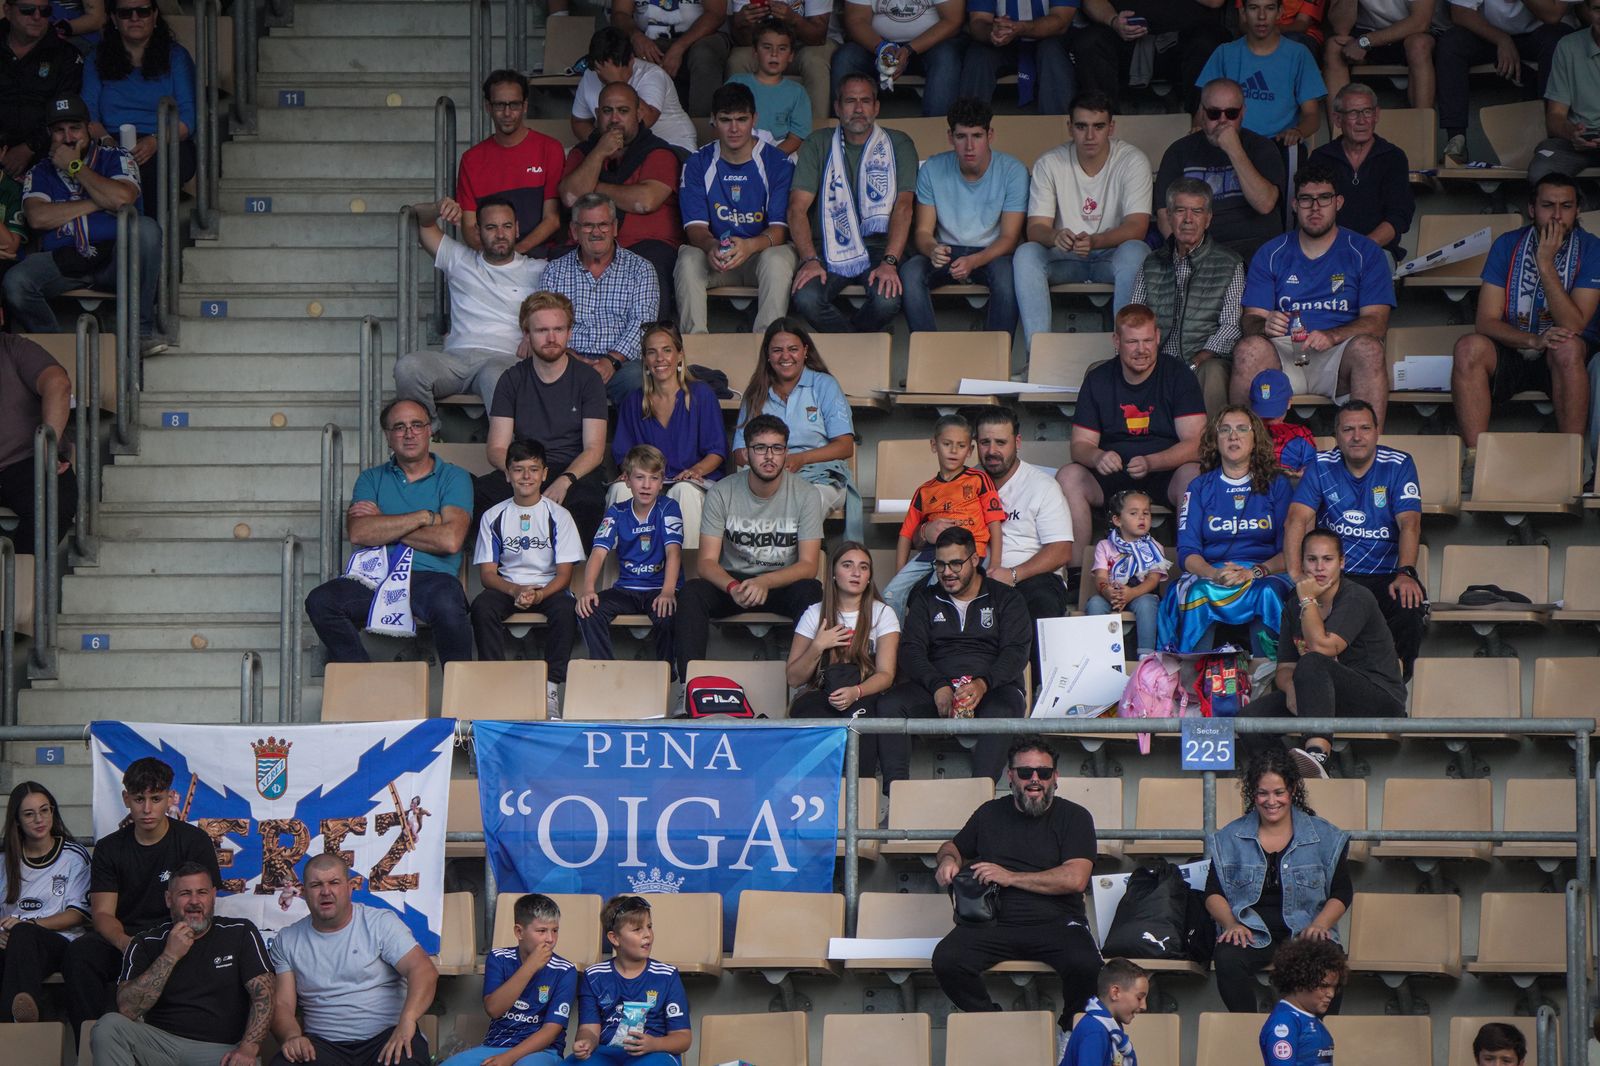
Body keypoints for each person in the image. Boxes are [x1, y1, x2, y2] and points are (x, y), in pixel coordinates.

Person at [930, 736, 1101, 1039]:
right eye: (1025, 773)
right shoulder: (989, 814)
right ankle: (991, 1025)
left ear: (1055, 777)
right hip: (994, 923)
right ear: (1010, 776)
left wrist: (1010, 877)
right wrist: (947, 861)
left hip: (1058, 922)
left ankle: (1068, 1031)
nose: (1035, 779)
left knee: (1086, 964)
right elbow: (952, 846)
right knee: (947, 960)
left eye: (1044, 773)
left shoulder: (1075, 817)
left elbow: (1075, 878)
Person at [62, 757, 220, 1043]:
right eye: (139, 799)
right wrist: (127, 944)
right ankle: (89, 1043)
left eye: (156, 799)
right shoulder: (110, 848)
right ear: (126, 799)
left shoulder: (194, 841)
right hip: (126, 938)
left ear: (170, 798)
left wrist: (176, 940)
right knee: (81, 954)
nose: (147, 809)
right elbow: (102, 915)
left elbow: (203, 903)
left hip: (177, 933)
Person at [304, 398, 474, 666]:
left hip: (431, 579)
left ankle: (462, 695)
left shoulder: (454, 477)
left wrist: (383, 523)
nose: (409, 433)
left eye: (417, 425)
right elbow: (360, 533)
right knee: (321, 601)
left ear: (430, 430)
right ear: (387, 436)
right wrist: (425, 517)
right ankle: (362, 681)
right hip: (374, 578)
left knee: (449, 603)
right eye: (399, 427)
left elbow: (450, 540)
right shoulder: (370, 479)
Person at [1453, 172, 1599, 470]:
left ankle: (1571, 464)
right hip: (1515, 346)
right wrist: (1532, 340)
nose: (1557, 216)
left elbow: (1575, 324)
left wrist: (1545, 264)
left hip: (1565, 357)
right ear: (1532, 209)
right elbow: (1486, 321)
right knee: (1468, 347)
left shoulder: (1592, 248)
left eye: (1566, 206)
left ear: (1578, 210)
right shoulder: (1508, 245)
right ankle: (1476, 462)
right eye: (1548, 205)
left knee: (1567, 346)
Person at [1231, 163, 1394, 427]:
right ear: (1295, 205)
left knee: (1369, 349)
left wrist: (1333, 336)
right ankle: (1244, 455)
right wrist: (1265, 325)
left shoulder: (1365, 252)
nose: (1315, 208)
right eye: (1307, 199)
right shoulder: (1271, 252)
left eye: (1324, 198)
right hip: (1283, 353)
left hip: (1337, 354)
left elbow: (1377, 322)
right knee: (1248, 349)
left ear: (1338, 202)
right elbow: (1251, 321)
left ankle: (1368, 454)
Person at [1239, 527, 1408, 777]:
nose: (1319, 567)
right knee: (1250, 720)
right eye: (1312, 559)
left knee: (1312, 661)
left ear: (1341, 563)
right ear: (1302, 563)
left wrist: (1308, 600)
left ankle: (1318, 754)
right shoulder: (1293, 603)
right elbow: (1284, 668)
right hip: (1321, 697)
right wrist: (1292, 689)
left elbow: (1323, 648)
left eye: (1327, 559)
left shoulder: (1356, 597)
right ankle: (1284, 780)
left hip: (1378, 698)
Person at [1055, 304, 1204, 578]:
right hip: (1112, 475)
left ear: (1158, 337)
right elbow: (1080, 445)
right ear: (1116, 342)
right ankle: (1076, 574)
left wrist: (1153, 462)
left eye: (1148, 340)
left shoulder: (1179, 375)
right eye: (1132, 342)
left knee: (1194, 475)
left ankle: (1190, 570)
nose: (1141, 349)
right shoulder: (1098, 379)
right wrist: (1097, 456)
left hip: (1164, 473)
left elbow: (1196, 443)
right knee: (1069, 476)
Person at [876, 527, 1032, 785]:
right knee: (890, 704)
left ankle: (980, 798)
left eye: (956, 564)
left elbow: (1016, 652)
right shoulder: (925, 599)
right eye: (940, 564)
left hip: (993, 687)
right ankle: (896, 796)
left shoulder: (1006, 598)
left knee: (1005, 709)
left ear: (974, 560)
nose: (947, 572)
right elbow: (911, 649)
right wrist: (937, 685)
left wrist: (983, 684)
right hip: (938, 686)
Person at [7, 93, 162, 351]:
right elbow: (37, 217)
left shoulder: (115, 157)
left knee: (146, 229)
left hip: (114, 257)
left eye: (75, 128)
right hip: (63, 259)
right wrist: (99, 201)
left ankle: (141, 332)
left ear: (89, 128)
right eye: (59, 130)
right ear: (49, 133)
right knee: (16, 283)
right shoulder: (40, 170)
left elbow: (124, 197)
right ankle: (56, 350)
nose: (68, 137)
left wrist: (75, 167)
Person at [674, 413, 823, 680]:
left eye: (777, 448)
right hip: (734, 583)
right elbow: (706, 562)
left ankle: (808, 684)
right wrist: (732, 587)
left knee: (812, 591)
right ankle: (689, 686)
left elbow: (809, 565)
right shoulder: (722, 491)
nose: (769, 456)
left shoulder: (806, 494)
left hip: (780, 583)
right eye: (760, 448)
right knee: (692, 592)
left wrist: (765, 582)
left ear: (786, 452)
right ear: (745, 453)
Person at [1283, 399, 1425, 677]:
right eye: (1348, 429)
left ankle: (1396, 684)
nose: (1357, 436)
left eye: (1364, 428)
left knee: (1410, 605)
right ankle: (1312, 680)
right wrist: (1296, 573)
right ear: (1336, 434)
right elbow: (1295, 519)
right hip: (1336, 575)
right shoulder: (1321, 464)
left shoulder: (1398, 464)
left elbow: (1410, 523)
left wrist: (1406, 572)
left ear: (1376, 431)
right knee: (1293, 598)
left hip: (1385, 574)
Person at [1204, 748, 1352, 1012]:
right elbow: (1213, 893)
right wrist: (1231, 924)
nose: (1271, 801)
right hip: (1253, 931)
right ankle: (1249, 1031)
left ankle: (1317, 1038)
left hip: (1304, 931)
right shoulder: (1230, 837)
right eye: (1263, 793)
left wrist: (1320, 925)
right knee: (1227, 956)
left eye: (1278, 792)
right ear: (1253, 793)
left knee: (1330, 961)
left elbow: (1342, 892)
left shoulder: (1325, 836)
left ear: (1292, 789)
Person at [91, 862, 270, 1066]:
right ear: (169, 899)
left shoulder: (240, 932)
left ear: (213, 896)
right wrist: (169, 956)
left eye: (201, 892)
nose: (194, 901)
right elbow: (127, 1009)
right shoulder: (145, 942)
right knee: (108, 1026)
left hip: (221, 1052)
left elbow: (263, 996)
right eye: (185, 893)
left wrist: (248, 1049)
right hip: (160, 1046)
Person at [268, 854, 439, 1066]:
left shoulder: (380, 923)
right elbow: (282, 1004)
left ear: (350, 888)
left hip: (386, 1037)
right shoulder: (287, 939)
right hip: (322, 1046)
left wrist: (408, 1020)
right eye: (316, 885)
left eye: (334, 882)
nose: (326, 891)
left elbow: (423, 970)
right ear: (303, 893)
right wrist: (292, 1037)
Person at [1015, 91, 1152, 351]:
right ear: (1069, 127)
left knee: (1137, 251)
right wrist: (1054, 236)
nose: (1090, 136)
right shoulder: (1049, 162)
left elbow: (1138, 227)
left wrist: (1096, 241)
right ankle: (1038, 356)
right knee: (1026, 254)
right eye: (1081, 126)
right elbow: (1035, 228)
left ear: (1111, 127)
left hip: (1110, 258)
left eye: (1098, 127)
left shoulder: (1132, 160)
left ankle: (1125, 353)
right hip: (1066, 258)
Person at [393, 196, 546, 422]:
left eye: (507, 226)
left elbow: (560, 313)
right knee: (408, 368)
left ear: (517, 229)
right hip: (456, 359)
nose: (500, 234)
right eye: (491, 227)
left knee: (497, 376)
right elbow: (421, 220)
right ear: (478, 231)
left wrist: (535, 336)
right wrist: (438, 208)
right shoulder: (459, 259)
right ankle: (430, 432)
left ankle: (510, 449)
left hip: (505, 358)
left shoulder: (540, 270)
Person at [1157, 405, 1293, 656]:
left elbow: (1290, 551)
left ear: (1255, 439)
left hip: (1263, 573)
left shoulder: (1278, 485)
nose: (1234, 436)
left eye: (1242, 429)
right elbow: (1187, 552)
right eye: (1225, 430)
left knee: (1268, 593)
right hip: (1211, 574)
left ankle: (1269, 675)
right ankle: (1191, 678)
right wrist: (1213, 574)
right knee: (1198, 591)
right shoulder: (1198, 487)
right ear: (1215, 440)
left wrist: (1254, 572)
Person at [786, 74, 918, 335]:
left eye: (865, 101)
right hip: (829, 249)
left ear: (876, 107)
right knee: (806, 297)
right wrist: (809, 259)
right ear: (837, 107)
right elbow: (796, 208)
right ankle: (858, 345)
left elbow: (904, 207)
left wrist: (890, 262)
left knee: (886, 300)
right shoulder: (818, 143)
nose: (858, 109)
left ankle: (848, 347)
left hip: (880, 248)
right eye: (850, 101)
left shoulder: (898, 144)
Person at [482, 292, 609, 548]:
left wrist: (565, 481)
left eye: (558, 329)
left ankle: (567, 583)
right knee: (481, 493)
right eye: (541, 330)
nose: (551, 338)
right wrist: (520, 475)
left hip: (573, 471)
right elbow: (497, 447)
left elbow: (594, 449)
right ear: (527, 335)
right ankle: (507, 574)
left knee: (587, 502)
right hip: (526, 466)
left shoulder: (588, 380)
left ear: (569, 332)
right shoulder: (511, 379)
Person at [675, 81, 797, 337]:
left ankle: (767, 347)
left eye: (742, 119)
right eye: (725, 119)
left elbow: (780, 231)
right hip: (716, 258)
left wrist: (749, 246)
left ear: (755, 119)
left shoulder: (777, 162)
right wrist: (711, 247)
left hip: (759, 256)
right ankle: (696, 350)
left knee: (779, 258)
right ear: (713, 120)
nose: (734, 128)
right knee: (688, 258)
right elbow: (695, 228)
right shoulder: (698, 162)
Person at [472, 439, 583, 714]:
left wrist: (540, 594)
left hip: (548, 586)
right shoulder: (493, 516)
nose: (526, 476)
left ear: (545, 474)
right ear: (507, 474)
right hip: (507, 585)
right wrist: (514, 590)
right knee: (481, 607)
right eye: (518, 469)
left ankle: (550, 688)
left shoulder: (559, 516)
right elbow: (487, 574)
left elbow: (565, 575)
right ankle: (495, 685)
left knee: (566, 609)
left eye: (533, 469)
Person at [902, 97, 1027, 337]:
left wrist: (974, 261)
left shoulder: (1013, 171)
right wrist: (931, 250)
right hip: (947, 250)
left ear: (990, 135)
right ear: (951, 137)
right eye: (961, 137)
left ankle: (995, 362)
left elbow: (1010, 238)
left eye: (977, 136)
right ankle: (928, 352)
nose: (969, 146)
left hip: (993, 253)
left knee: (1007, 277)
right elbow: (923, 233)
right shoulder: (932, 168)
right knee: (910, 272)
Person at [559, 84, 682, 325]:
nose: (614, 119)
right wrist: (599, 153)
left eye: (623, 111)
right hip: (587, 246)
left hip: (646, 249)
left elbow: (644, 201)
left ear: (639, 113)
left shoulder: (658, 152)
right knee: (559, 263)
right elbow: (571, 199)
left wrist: (591, 188)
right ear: (597, 114)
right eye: (607, 111)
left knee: (652, 268)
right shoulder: (584, 153)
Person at [732, 318, 861, 538]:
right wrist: (772, 462)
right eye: (777, 350)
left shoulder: (824, 385)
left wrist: (800, 459)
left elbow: (845, 446)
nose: (785, 357)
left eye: (793, 349)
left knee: (804, 504)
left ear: (805, 351)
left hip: (821, 478)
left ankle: (796, 569)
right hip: (766, 478)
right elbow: (739, 453)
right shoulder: (756, 392)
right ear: (768, 355)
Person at [1133, 177, 1248, 418]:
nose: (1188, 219)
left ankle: (1208, 450)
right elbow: (1135, 318)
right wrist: (1146, 356)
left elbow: (1231, 327)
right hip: (1156, 358)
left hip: (1204, 360)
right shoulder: (1152, 263)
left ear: (1208, 219)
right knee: (1098, 372)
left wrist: (1196, 360)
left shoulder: (1229, 263)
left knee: (1213, 371)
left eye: (1197, 211)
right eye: (1180, 211)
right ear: (1168, 217)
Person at [786, 542, 899, 775]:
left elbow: (886, 675)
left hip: (864, 694)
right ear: (834, 574)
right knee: (809, 714)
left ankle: (861, 799)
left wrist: (855, 692)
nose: (856, 573)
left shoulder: (882, 613)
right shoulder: (814, 613)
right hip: (822, 693)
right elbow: (793, 678)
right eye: (847, 565)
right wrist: (818, 646)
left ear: (869, 577)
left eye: (863, 567)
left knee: (863, 721)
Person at [609, 323, 725, 549]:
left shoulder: (700, 394)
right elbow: (624, 454)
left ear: (679, 355)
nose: (659, 358)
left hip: (693, 482)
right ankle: (623, 576)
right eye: (652, 352)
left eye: (667, 350)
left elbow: (717, 451)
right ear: (645, 360)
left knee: (683, 491)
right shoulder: (634, 401)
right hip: (649, 481)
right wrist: (632, 473)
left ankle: (689, 576)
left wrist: (696, 471)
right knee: (621, 489)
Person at [973, 407, 1075, 661]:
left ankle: (1037, 687)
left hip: (1030, 576)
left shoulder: (1042, 486)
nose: (992, 451)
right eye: (985, 442)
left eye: (1001, 442)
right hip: (973, 573)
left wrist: (1013, 574)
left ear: (1017, 442)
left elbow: (1061, 550)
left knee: (1040, 601)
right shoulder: (965, 482)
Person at [541, 194, 661, 407]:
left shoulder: (641, 269)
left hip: (622, 364)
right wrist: (569, 357)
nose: (596, 232)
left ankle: (631, 441)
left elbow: (643, 325)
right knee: (542, 375)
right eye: (588, 225)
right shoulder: (554, 271)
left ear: (615, 227)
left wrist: (611, 361)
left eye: (603, 224)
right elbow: (544, 324)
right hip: (567, 360)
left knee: (639, 380)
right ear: (574, 230)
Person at [884, 413, 1006, 619]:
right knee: (890, 594)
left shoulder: (979, 479)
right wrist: (901, 573)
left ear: (970, 450)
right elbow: (906, 534)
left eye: (960, 445)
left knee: (934, 596)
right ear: (934, 445)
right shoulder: (924, 490)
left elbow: (994, 523)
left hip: (967, 553)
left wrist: (995, 563)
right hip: (930, 554)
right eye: (947, 443)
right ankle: (897, 645)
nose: (953, 450)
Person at [577, 444, 684, 677]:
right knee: (589, 609)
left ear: (662, 481)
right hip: (627, 589)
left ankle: (668, 675)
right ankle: (604, 671)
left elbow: (673, 552)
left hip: (658, 588)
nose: (646, 485)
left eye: (654, 478)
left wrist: (668, 591)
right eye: (639, 477)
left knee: (667, 613)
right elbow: (598, 552)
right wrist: (587, 589)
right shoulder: (617, 511)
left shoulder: (668, 507)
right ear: (626, 481)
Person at [81, 0, 193, 218]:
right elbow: (87, 112)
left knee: (152, 171)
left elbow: (189, 117)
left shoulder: (176, 56)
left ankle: (148, 237)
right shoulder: (96, 58)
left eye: (142, 11)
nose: (134, 18)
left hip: (166, 140)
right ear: (113, 19)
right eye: (125, 13)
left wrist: (155, 140)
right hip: (109, 140)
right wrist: (106, 140)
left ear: (154, 15)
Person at [1155, 79, 1285, 262]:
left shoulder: (1262, 148)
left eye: (1231, 113)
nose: (1223, 120)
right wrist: (1182, 254)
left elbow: (1265, 204)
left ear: (1243, 113)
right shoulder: (1179, 151)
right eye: (1214, 113)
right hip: (1198, 248)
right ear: (1201, 112)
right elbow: (1164, 212)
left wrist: (1234, 149)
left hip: (1254, 247)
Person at [442, 894, 577, 1066]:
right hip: (494, 1046)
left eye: (555, 930)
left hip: (542, 1051)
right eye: (542, 931)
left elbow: (550, 1031)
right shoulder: (499, 958)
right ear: (519, 932)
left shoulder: (564, 970)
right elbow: (494, 1009)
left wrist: (509, 1058)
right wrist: (529, 967)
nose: (550, 939)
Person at [1437, 0, 1576, 165]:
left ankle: (1553, 143)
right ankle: (1456, 141)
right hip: (1491, 35)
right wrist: (1502, 39)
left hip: (1542, 33)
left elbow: (1553, 15)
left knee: (1558, 40)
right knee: (1451, 43)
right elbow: (1460, 13)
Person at [0, 781, 88, 1024]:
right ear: (17, 820)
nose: (39, 819)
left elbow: (76, 914)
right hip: (9, 941)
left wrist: (28, 925)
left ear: (53, 811)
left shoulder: (73, 855)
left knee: (24, 935)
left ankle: (16, 1024)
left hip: (58, 941)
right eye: (29, 814)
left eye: (44, 810)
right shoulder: (4, 858)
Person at [566, 897, 689, 1066]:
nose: (647, 934)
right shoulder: (594, 976)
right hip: (605, 1054)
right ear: (614, 938)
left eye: (649, 926)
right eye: (638, 929)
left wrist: (654, 1044)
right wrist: (586, 1042)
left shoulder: (667, 976)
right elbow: (588, 1029)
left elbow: (683, 1038)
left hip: (653, 1054)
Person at [457, 70, 565, 255]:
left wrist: (515, 255)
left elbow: (552, 219)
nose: (507, 113)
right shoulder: (471, 159)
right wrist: (497, 261)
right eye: (499, 105)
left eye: (514, 105)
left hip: (541, 260)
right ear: (488, 107)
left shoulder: (550, 148)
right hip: (493, 259)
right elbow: (469, 227)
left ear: (524, 106)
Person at [1308, 83, 1415, 261]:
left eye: (1367, 112)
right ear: (1337, 119)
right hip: (1327, 251)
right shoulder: (1321, 158)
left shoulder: (1393, 157)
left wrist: (1361, 248)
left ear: (1376, 115)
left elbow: (1399, 216)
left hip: (1376, 250)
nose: (1361, 120)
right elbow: (1311, 211)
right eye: (1353, 113)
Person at [1196, 0, 1325, 146]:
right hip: (1231, 142)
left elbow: (1312, 115)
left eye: (1269, 8)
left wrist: (1298, 131)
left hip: (1279, 144)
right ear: (1243, 12)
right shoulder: (1225, 53)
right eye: (1253, 8)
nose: (1262, 16)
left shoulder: (1299, 54)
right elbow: (1203, 108)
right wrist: (1197, 129)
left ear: (1280, 12)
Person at [1072, 0, 1229, 114]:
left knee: (1208, 43)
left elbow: (1215, 2)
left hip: (1185, 40)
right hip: (1123, 37)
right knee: (1089, 43)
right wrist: (1113, 21)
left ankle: (1201, 126)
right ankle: (1101, 124)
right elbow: (1090, 2)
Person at [0, 333, 77, 554]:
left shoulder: (15, 348)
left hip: (25, 461)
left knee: (54, 502)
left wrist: (46, 449)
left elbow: (58, 383)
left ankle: (18, 581)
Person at [571, 28, 697, 155]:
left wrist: (616, 82)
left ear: (631, 60)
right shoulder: (590, 75)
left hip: (673, 145)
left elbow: (645, 120)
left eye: (615, 69)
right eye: (600, 70)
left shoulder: (652, 74)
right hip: (624, 152)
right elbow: (579, 122)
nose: (603, 77)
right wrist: (600, 144)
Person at [832, 0, 967, 118]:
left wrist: (908, 49)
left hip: (930, 45)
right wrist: (882, 48)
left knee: (946, 57)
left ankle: (937, 132)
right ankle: (841, 132)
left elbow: (952, 21)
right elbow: (856, 20)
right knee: (846, 57)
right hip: (876, 45)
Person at [0, 0, 84, 181]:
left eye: (44, 11)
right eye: (27, 10)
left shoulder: (67, 55)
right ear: (7, 10)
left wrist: (29, 147)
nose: (37, 17)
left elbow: (65, 112)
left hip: (46, 155)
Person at [1085, 489, 1170, 657]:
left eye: (1146, 513)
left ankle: (1146, 655)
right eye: (1133, 513)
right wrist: (1107, 592)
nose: (1142, 517)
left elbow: (1153, 579)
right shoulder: (1105, 546)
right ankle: (1099, 653)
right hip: (1113, 594)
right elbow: (1101, 577)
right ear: (1117, 520)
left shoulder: (1154, 547)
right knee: (1095, 603)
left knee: (1147, 604)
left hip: (1141, 593)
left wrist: (1132, 593)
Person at [609, 0, 729, 117]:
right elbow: (620, 13)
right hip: (647, 38)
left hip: (699, 37)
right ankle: (634, 125)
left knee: (703, 54)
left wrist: (679, 47)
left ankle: (703, 127)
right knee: (620, 52)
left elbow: (716, 14)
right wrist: (635, 36)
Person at [958, 0, 1076, 115]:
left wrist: (1021, 28)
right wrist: (994, 32)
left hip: (1048, 39)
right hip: (1002, 44)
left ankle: (1058, 128)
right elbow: (979, 21)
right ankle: (969, 125)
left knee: (1051, 51)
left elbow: (1061, 21)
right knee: (979, 55)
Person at [728, 4, 833, 129]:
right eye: (768, 49)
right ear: (755, 52)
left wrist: (794, 19)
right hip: (761, 38)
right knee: (738, 59)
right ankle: (736, 128)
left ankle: (817, 136)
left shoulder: (797, 93)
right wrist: (741, 22)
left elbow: (818, 37)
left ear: (790, 55)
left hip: (809, 44)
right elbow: (741, 39)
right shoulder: (737, 80)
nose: (774, 54)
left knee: (814, 61)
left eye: (781, 50)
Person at [1530, 0, 1600, 182]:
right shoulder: (1568, 46)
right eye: (1598, 9)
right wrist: (1572, 134)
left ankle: (1588, 208)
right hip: (1579, 143)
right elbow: (1555, 117)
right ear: (1586, 11)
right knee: (1541, 171)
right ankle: (1575, 207)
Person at [1323, 0, 1439, 109]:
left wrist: (1366, 41)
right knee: (1335, 47)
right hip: (1367, 32)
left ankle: (1423, 125)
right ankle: (1338, 128)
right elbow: (1341, 28)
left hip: (1409, 34)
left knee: (1419, 45)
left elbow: (1420, 22)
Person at [1259, 938, 1345, 1066]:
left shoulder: (1311, 1019)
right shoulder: (1283, 1023)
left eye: (1334, 987)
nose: (1331, 994)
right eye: (1324, 986)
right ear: (1299, 982)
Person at [1059, 959, 1149, 1066]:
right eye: (1139, 998)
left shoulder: (1110, 1027)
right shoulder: (1094, 1031)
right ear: (1115, 993)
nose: (1144, 1006)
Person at [1251, 368, 1318, 476]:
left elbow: (1312, 466)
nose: (1269, 418)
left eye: (1275, 411)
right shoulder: (1246, 432)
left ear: (1289, 403)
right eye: (1264, 412)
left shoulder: (1300, 434)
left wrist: (1302, 474)